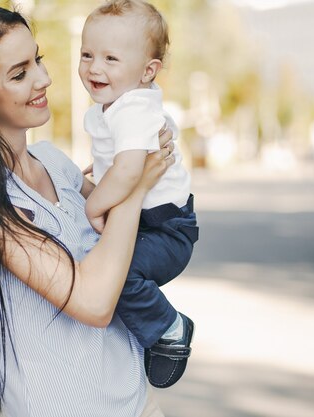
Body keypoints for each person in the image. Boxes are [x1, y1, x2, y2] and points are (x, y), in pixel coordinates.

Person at [0, 4, 176, 417]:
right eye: (19, 73)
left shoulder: (55, 162)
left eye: (39, 60)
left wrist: (135, 157)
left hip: (140, 405)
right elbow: (93, 301)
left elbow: (123, 241)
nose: (44, 79)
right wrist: (135, 187)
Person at [78, 0, 199, 388]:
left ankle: (170, 327)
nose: (95, 67)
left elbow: (130, 170)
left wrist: (95, 201)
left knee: (122, 274)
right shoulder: (115, 107)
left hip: (165, 230)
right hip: (148, 223)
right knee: (112, 269)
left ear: (148, 71)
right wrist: (99, 169)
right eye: (87, 54)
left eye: (111, 58)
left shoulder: (133, 108)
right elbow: (119, 161)